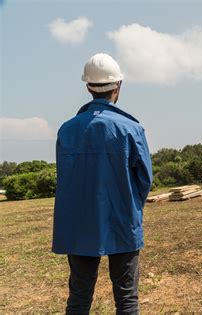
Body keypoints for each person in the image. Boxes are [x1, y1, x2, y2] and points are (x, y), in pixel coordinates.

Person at [52, 53, 153, 314]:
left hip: (79, 225)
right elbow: (145, 180)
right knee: (127, 299)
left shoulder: (66, 129)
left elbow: (65, 178)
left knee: (79, 297)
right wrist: (130, 209)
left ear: (88, 87)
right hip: (122, 221)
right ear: (118, 86)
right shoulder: (132, 129)